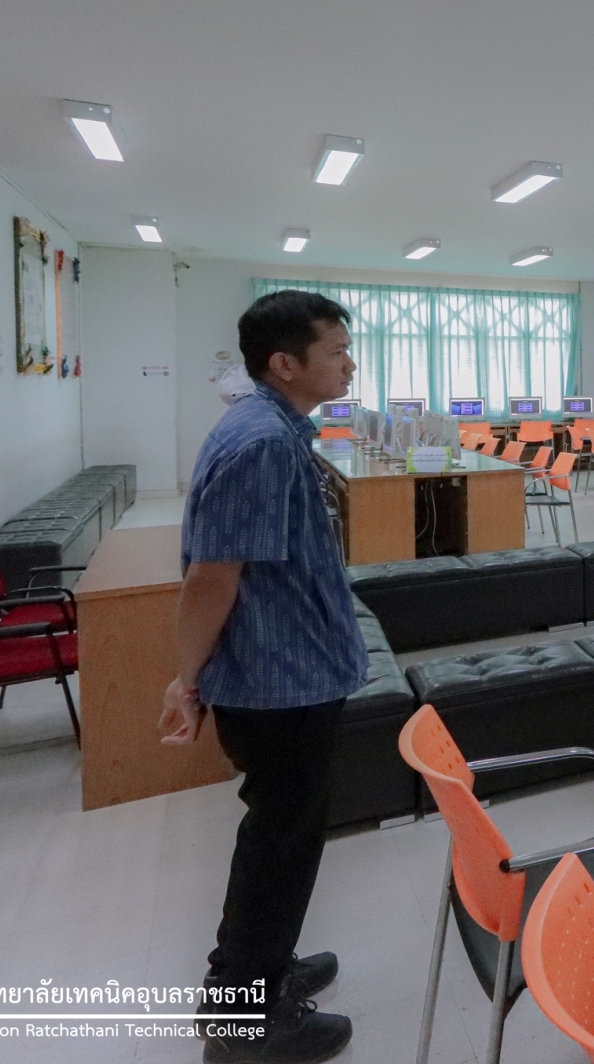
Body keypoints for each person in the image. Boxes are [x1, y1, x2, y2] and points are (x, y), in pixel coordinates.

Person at [160, 290, 366, 1064]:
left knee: (285, 840)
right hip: (282, 684)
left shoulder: (269, 427)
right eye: (336, 351)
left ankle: (266, 969)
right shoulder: (265, 444)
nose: (350, 363)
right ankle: (241, 1013)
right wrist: (184, 680)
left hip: (294, 671)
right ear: (285, 363)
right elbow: (211, 578)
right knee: (278, 846)